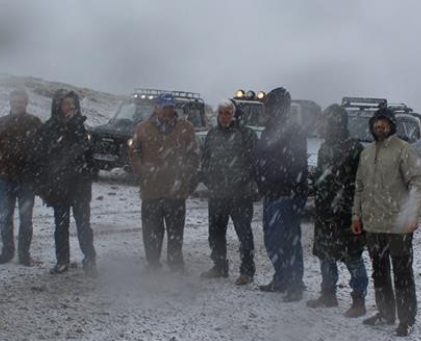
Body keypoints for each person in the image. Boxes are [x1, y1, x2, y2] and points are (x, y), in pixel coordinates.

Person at [351, 106, 421, 337]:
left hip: (398, 224)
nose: (379, 126)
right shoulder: (367, 153)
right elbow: (360, 186)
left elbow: (417, 182)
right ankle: (385, 313)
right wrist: (356, 215)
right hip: (373, 224)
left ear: (392, 125)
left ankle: (406, 319)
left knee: (402, 272)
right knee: (379, 271)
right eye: (376, 122)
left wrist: (412, 214)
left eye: (384, 122)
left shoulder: (404, 150)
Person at [307, 105, 368, 316]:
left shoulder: (355, 148)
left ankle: (359, 300)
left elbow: (361, 182)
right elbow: (322, 178)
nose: (326, 125)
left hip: (346, 213)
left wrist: (355, 211)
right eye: (325, 121)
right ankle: (328, 294)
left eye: (330, 121)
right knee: (325, 255)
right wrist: (312, 182)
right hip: (324, 211)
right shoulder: (324, 147)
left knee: (352, 257)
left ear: (340, 123)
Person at [129, 92, 199, 273]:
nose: (167, 111)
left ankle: (176, 264)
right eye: (163, 107)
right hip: (150, 190)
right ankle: (152, 264)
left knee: (176, 231)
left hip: (176, 191)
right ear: (156, 107)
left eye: (170, 107)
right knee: (152, 231)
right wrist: (143, 171)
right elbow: (134, 153)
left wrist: (184, 174)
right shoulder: (142, 128)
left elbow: (194, 155)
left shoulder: (186, 127)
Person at [254, 87, 309, 301]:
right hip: (270, 193)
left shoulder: (293, 130)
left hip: (287, 194)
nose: (266, 109)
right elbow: (261, 157)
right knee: (271, 239)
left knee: (289, 240)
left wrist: (292, 191)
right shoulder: (269, 129)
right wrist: (261, 180)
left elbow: (296, 164)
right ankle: (281, 277)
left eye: (269, 105)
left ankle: (295, 283)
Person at [39, 89, 98, 276]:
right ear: (58, 106)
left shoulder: (81, 127)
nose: (70, 108)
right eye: (66, 104)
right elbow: (43, 156)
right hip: (59, 185)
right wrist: (45, 182)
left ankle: (89, 258)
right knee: (60, 225)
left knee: (83, 224)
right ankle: (62, 260)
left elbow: (89, 155)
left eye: (73, 105)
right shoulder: (49, 128)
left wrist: (87, 175)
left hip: (79, 185)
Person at [199, 99, 257, 284]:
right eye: (222, 113)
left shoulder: (246, 134)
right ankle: (219, 266)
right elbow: (206, 159)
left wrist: (242, 181)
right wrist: (208, 179)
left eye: (228, 113)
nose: (225, 116)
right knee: (215, 232)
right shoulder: (212, 134)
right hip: (218, 193)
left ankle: (247, 271)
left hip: (240, 194)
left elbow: (254, 162)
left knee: (244, 233)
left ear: (234, 114)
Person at [0, 88, 44, 266]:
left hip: (27, 179)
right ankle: (7, 251)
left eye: (21, 102)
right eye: (14, 102)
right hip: (6, 176)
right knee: (5, 216)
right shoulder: (2, 123)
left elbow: (42, 151)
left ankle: (24, 253)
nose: (17, 105)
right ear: (10, 102)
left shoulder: (34, 123)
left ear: (26, 103)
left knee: (26, 218)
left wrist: (40, 175)